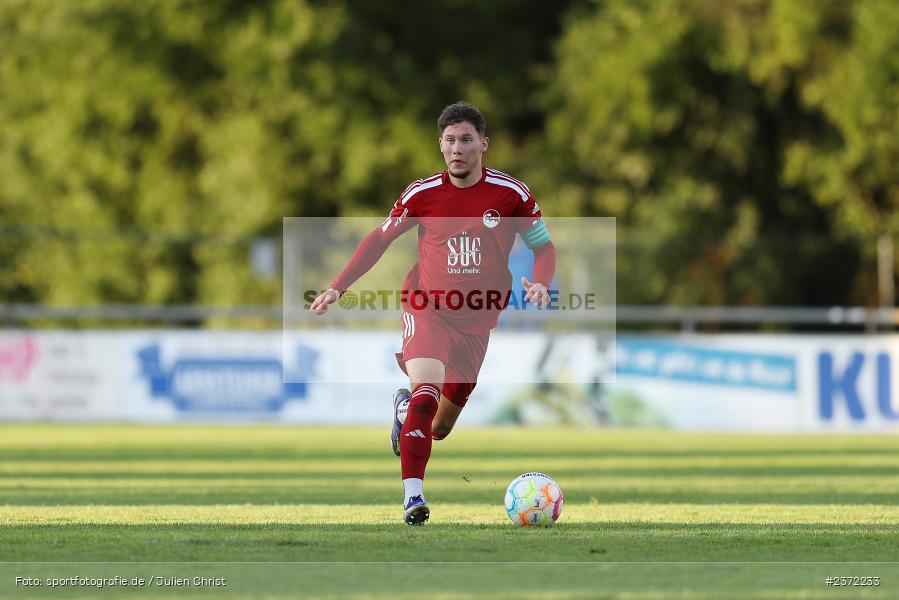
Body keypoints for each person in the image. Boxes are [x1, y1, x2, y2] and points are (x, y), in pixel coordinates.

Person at [309, 101, 556, 525]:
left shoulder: (511, 194)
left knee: (439, 427)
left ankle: (405, 412)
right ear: (440, 146)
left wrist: (540, 282)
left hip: (478, 320)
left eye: (465, 140)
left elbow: (544, 246)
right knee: (427, 389)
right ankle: (413, 498)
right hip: (427, 308)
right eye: (449, 140)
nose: (457, 148)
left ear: (483, 144)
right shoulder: (421, 194)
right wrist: (337, 287)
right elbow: (378, 240)